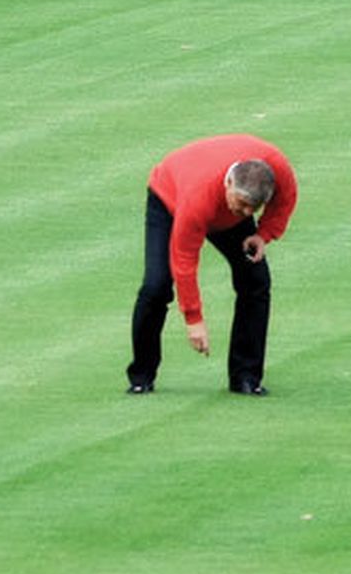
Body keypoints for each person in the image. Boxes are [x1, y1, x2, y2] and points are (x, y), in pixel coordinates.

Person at [126, 134, 298, 396]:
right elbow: (184, 259)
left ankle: (246, 378)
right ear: (228, 182)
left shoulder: (276, 170)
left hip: (217, 209)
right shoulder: (199, 198)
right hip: (169, 198)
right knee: (157, 286)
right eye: (242, 205)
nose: (247, 213)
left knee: (255, 280)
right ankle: (141, 375)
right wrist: (193, 318)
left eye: (254, 207)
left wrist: (263, 234)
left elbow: (286, 200)